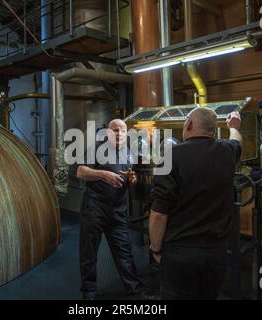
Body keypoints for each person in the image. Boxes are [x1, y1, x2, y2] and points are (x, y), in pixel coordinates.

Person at [149, 108, 243, 300]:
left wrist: (156, 248)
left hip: (179, 252)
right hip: (216, 253)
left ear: (189, 125)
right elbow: (237, 141)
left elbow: (159, 213)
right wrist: (234, 127)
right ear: (213, 129)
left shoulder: (169, 156)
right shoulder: (227, 152)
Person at [77, 119, 146, 300]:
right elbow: (81, 172)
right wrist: (103, 174)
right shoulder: (96, 149)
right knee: (89, 253)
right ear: (108, 132)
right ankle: (89, 292)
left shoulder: (129, 153)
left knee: (124, 252)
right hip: (95, 209)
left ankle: (134, 292)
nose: (119, 134)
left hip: (117, 211)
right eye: (115, 130)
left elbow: (131, 174)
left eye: (123, 130)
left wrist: (133, 178)